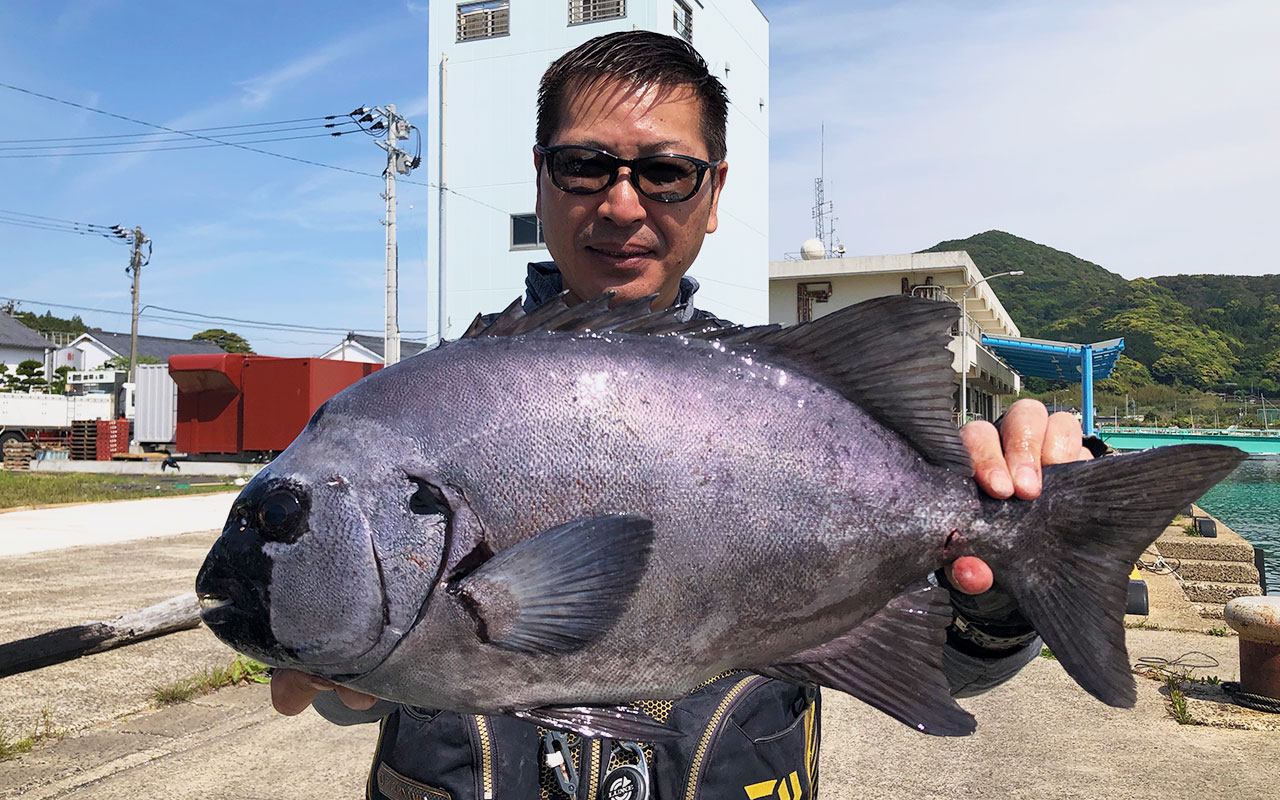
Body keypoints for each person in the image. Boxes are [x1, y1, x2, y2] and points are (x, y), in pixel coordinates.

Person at [271, 31, 1093, 798]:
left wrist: (1005, 589)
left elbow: (951, 663)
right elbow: (359, 692)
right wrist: (338, 671)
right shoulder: (414, 412)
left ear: (714, 190)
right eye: (585, 165)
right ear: (541, 175)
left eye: (665, 172)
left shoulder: (795, 394)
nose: (623, 206)